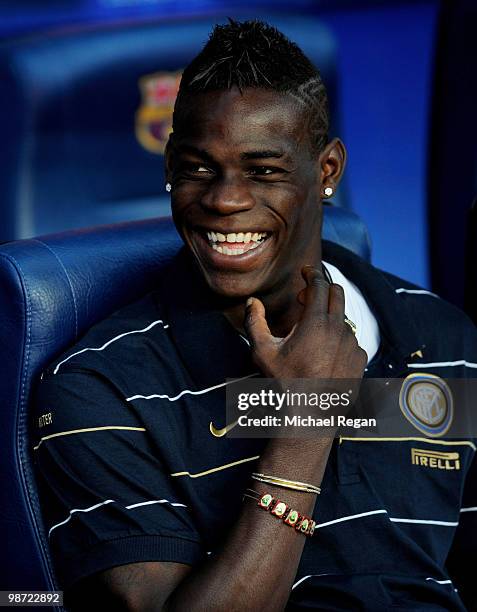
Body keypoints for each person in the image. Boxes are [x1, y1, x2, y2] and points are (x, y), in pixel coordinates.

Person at [34, 19, 477, 611]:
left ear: (327, 172)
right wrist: (307, 422)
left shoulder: (445, 337)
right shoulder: (99, 389)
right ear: (168, 165)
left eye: (263, 171)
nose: (223, 200)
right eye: (197, 168)